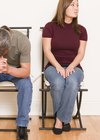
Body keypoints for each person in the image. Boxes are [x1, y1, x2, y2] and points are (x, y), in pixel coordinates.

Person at [42, 0, 87, 135]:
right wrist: (59, 67)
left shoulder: (82, 30)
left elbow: (81, 53)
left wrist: (71, 66)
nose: (76, 8)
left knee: (72, 81)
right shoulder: (50, 27)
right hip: (53, 66)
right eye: (73, 5)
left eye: (77, 5)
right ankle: (66, 119)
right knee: (58, 82)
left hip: (75, 67)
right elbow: (47, 50)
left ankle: (60, 119)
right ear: (64, 7)